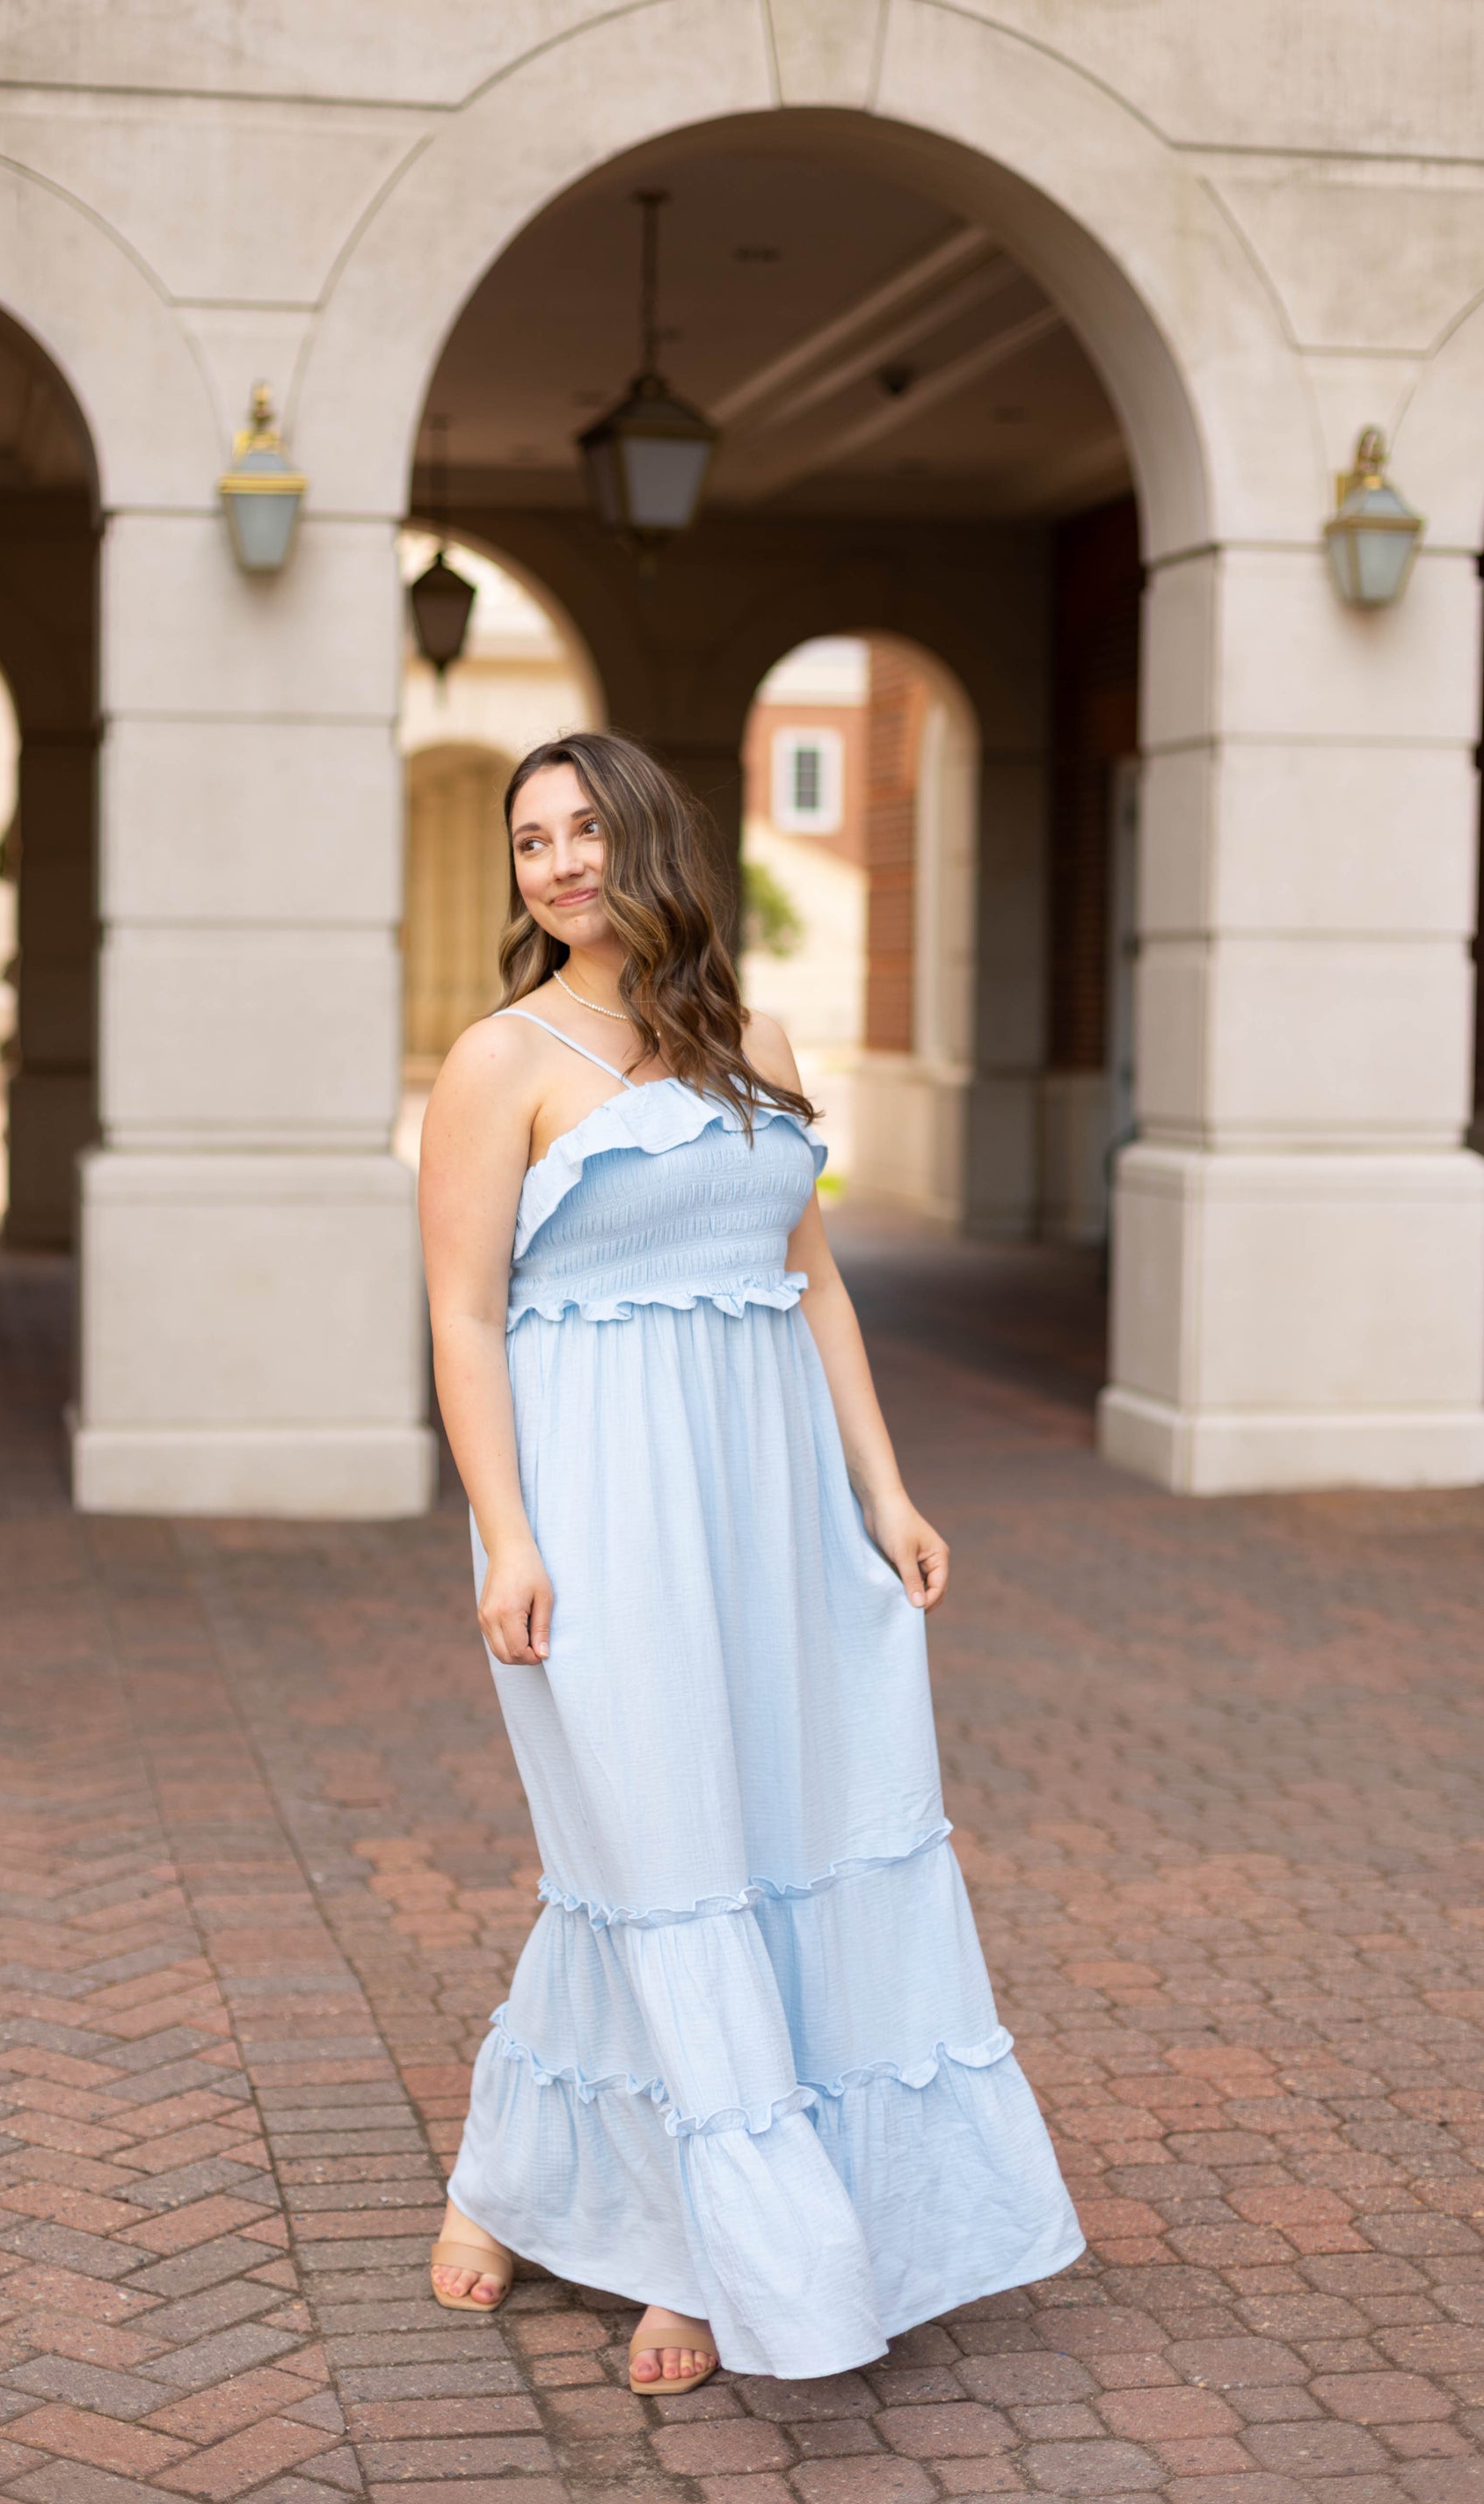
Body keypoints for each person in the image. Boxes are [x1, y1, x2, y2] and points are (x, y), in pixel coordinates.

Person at [416, 731, 1082, 2392]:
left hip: (768, 1504)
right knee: (659, 1850)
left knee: (759, 1838)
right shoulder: (500, 1058)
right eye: (530, 842)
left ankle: (509, 2181)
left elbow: (815, 1284)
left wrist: (885, 1493)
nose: (559, 865)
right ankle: (698, 2255)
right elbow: (462, 1313)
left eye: (585, 830)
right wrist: (508, 1533)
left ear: (650, 842)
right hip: (601, 1500)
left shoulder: (753, 1042)